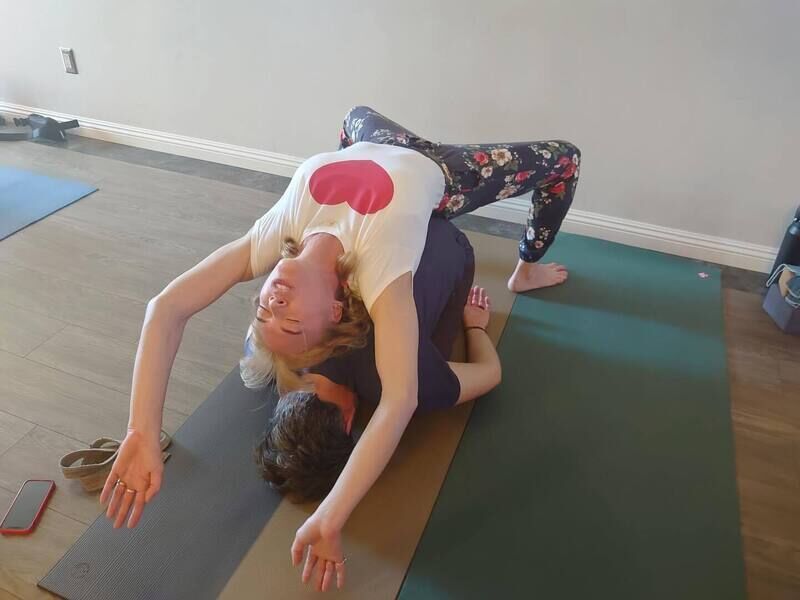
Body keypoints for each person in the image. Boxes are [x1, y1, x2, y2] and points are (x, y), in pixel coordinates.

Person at [100, 106, 580, 592]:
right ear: (334, 309)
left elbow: (166, 309)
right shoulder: (380, 274)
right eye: (290, 321)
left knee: (353, 115)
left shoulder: (270, 241)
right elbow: (399, 402)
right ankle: (527, 268)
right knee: (565, 159)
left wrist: (142, 429)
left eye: (263, 310)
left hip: (369, 139)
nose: (274, 303)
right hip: (444, 174)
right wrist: (332, 515)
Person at [252, 218, 500, 503]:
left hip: (446, 239)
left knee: (428, 365)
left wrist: (475, 327)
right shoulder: (281, 345)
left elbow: (491, 372)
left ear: (349, 423)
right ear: (284, 397)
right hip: (378, 218)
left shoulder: (403, 384)